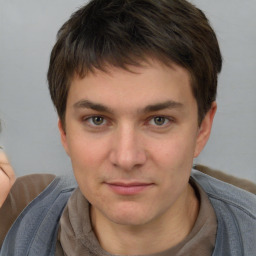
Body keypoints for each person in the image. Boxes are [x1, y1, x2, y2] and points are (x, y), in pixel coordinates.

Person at [0, 0, 256, 255]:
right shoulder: (15, 214)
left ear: (202, 128)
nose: (126, 158)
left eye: (159, 120)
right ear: (64, 132)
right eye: (97, 120)